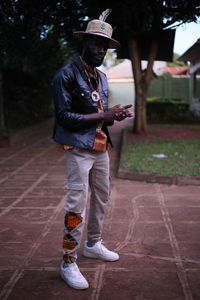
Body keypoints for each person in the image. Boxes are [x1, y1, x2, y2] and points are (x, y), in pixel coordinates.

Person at [52, 9, 134, 290]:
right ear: (84, 43)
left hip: (100, 147)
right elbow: (64, 117)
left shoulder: (102, 77)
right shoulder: (65, 75)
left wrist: (115, 115)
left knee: (102, 197)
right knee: (77, 204)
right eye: (96, 44)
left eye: (105, 46)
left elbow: (100, 111)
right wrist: (103, 116)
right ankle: (67, 261)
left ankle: (93, 244)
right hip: (78, 148)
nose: (100, 50)